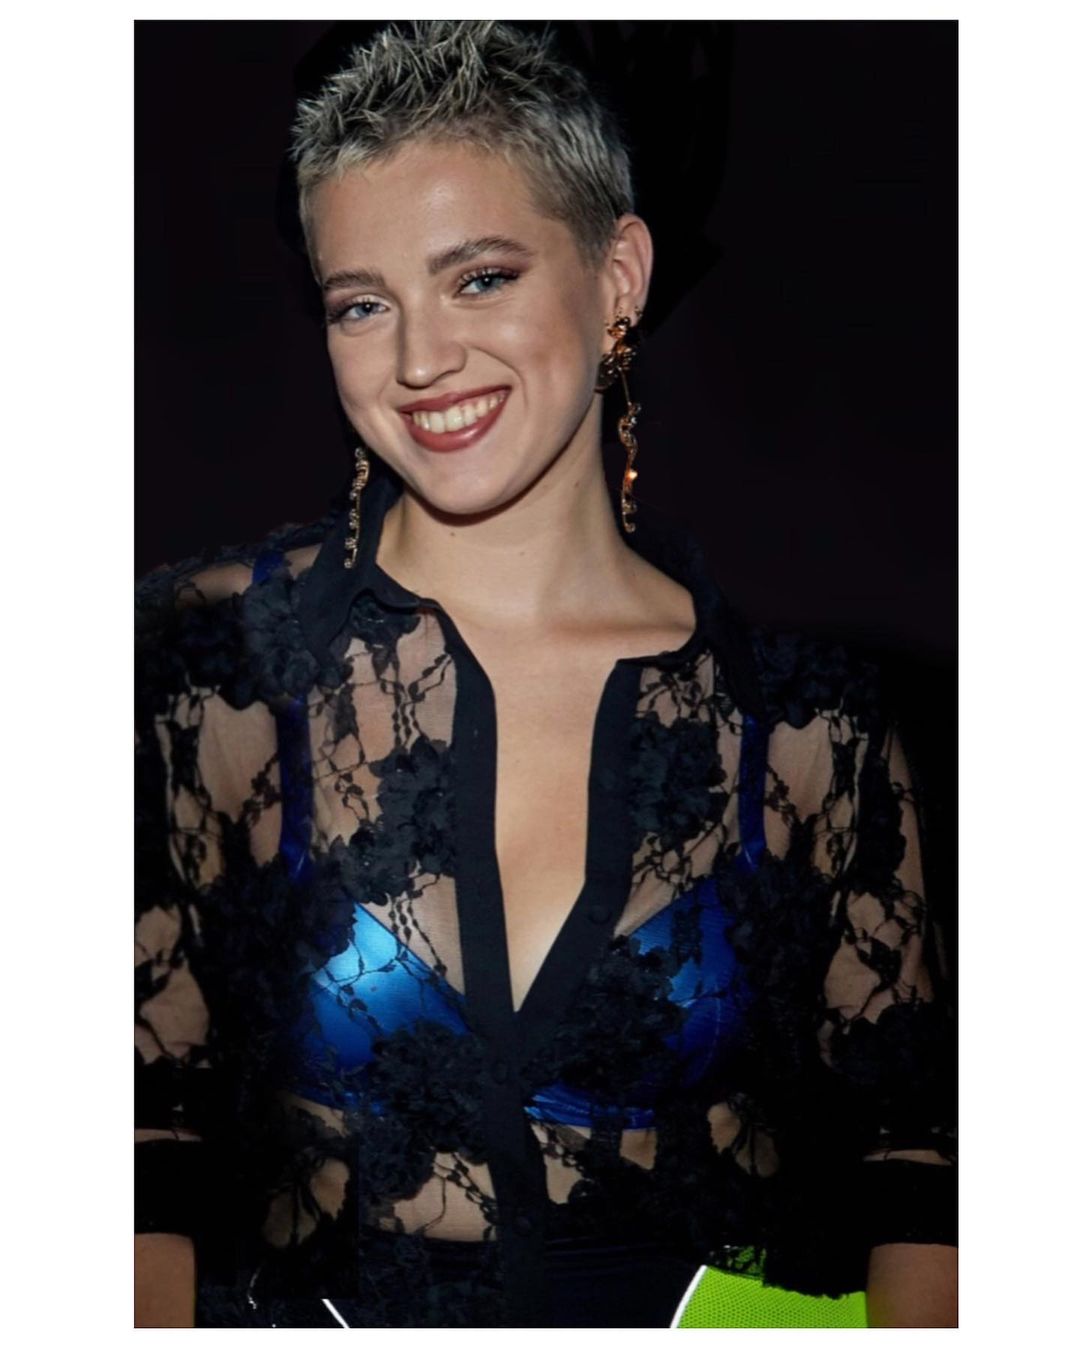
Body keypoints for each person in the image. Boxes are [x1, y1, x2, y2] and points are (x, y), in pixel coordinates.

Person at [135, 20, 957, 1328]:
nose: (418, 361)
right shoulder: (215, 688)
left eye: (479, 279)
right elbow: (138, 1160)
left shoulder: (812, 730)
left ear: (617, 277)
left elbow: (916, 1178)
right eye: (362, 303)